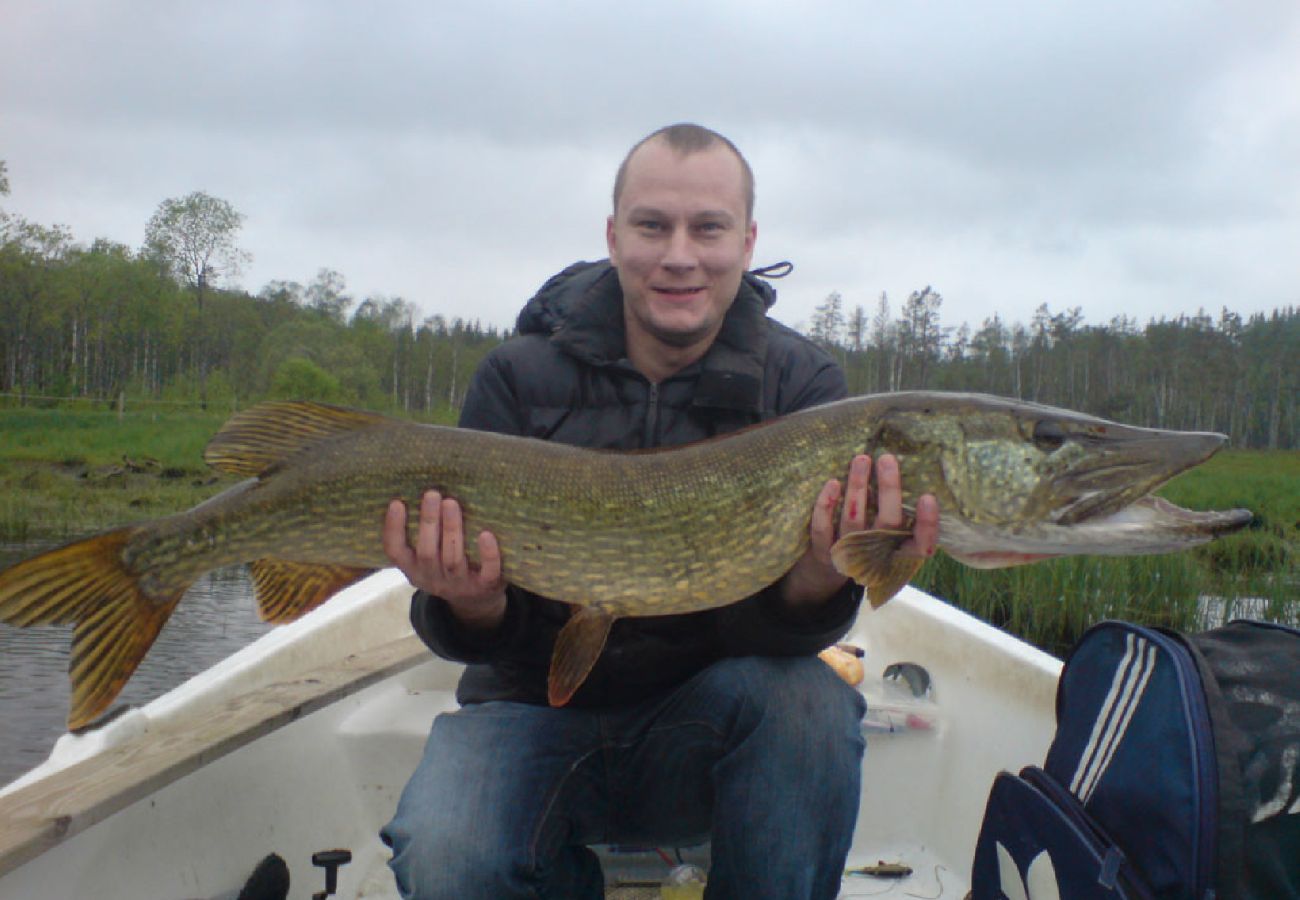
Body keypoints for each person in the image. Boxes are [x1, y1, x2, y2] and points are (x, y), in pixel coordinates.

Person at [378, 123, 940, 900]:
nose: (681, 254)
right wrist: (472, 604)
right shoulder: (516, 376)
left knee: (810, 708)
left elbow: (775, 643)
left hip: (703, 723)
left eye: (708, 228)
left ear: (747, 243)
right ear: (614, 237)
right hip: (528, 712)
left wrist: (817, 578)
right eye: (653, 225)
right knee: (445, 854)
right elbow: (472, 642)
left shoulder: (802, 388)